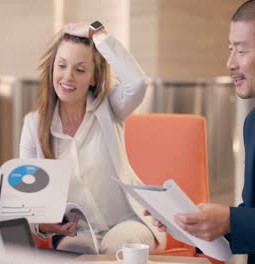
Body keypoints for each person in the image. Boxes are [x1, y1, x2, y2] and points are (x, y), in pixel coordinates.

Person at [149, 0, 255, 263]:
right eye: (230, 49)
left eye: (242, 51)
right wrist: (189, 226)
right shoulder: (253, 121)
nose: (229, 63)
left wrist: (230, 219)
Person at [19, 22, 166, 254]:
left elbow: (138, 83)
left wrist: (99, 35)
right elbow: (27, 199)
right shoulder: (33, 125)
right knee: (74, 253)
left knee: (117, 246)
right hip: (80, 231)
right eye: (62, 66)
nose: (68, 76)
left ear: (93, 78)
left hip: (129, 222)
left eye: (80, 69)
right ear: (52, 69)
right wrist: (41, 225)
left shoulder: (110, 107)